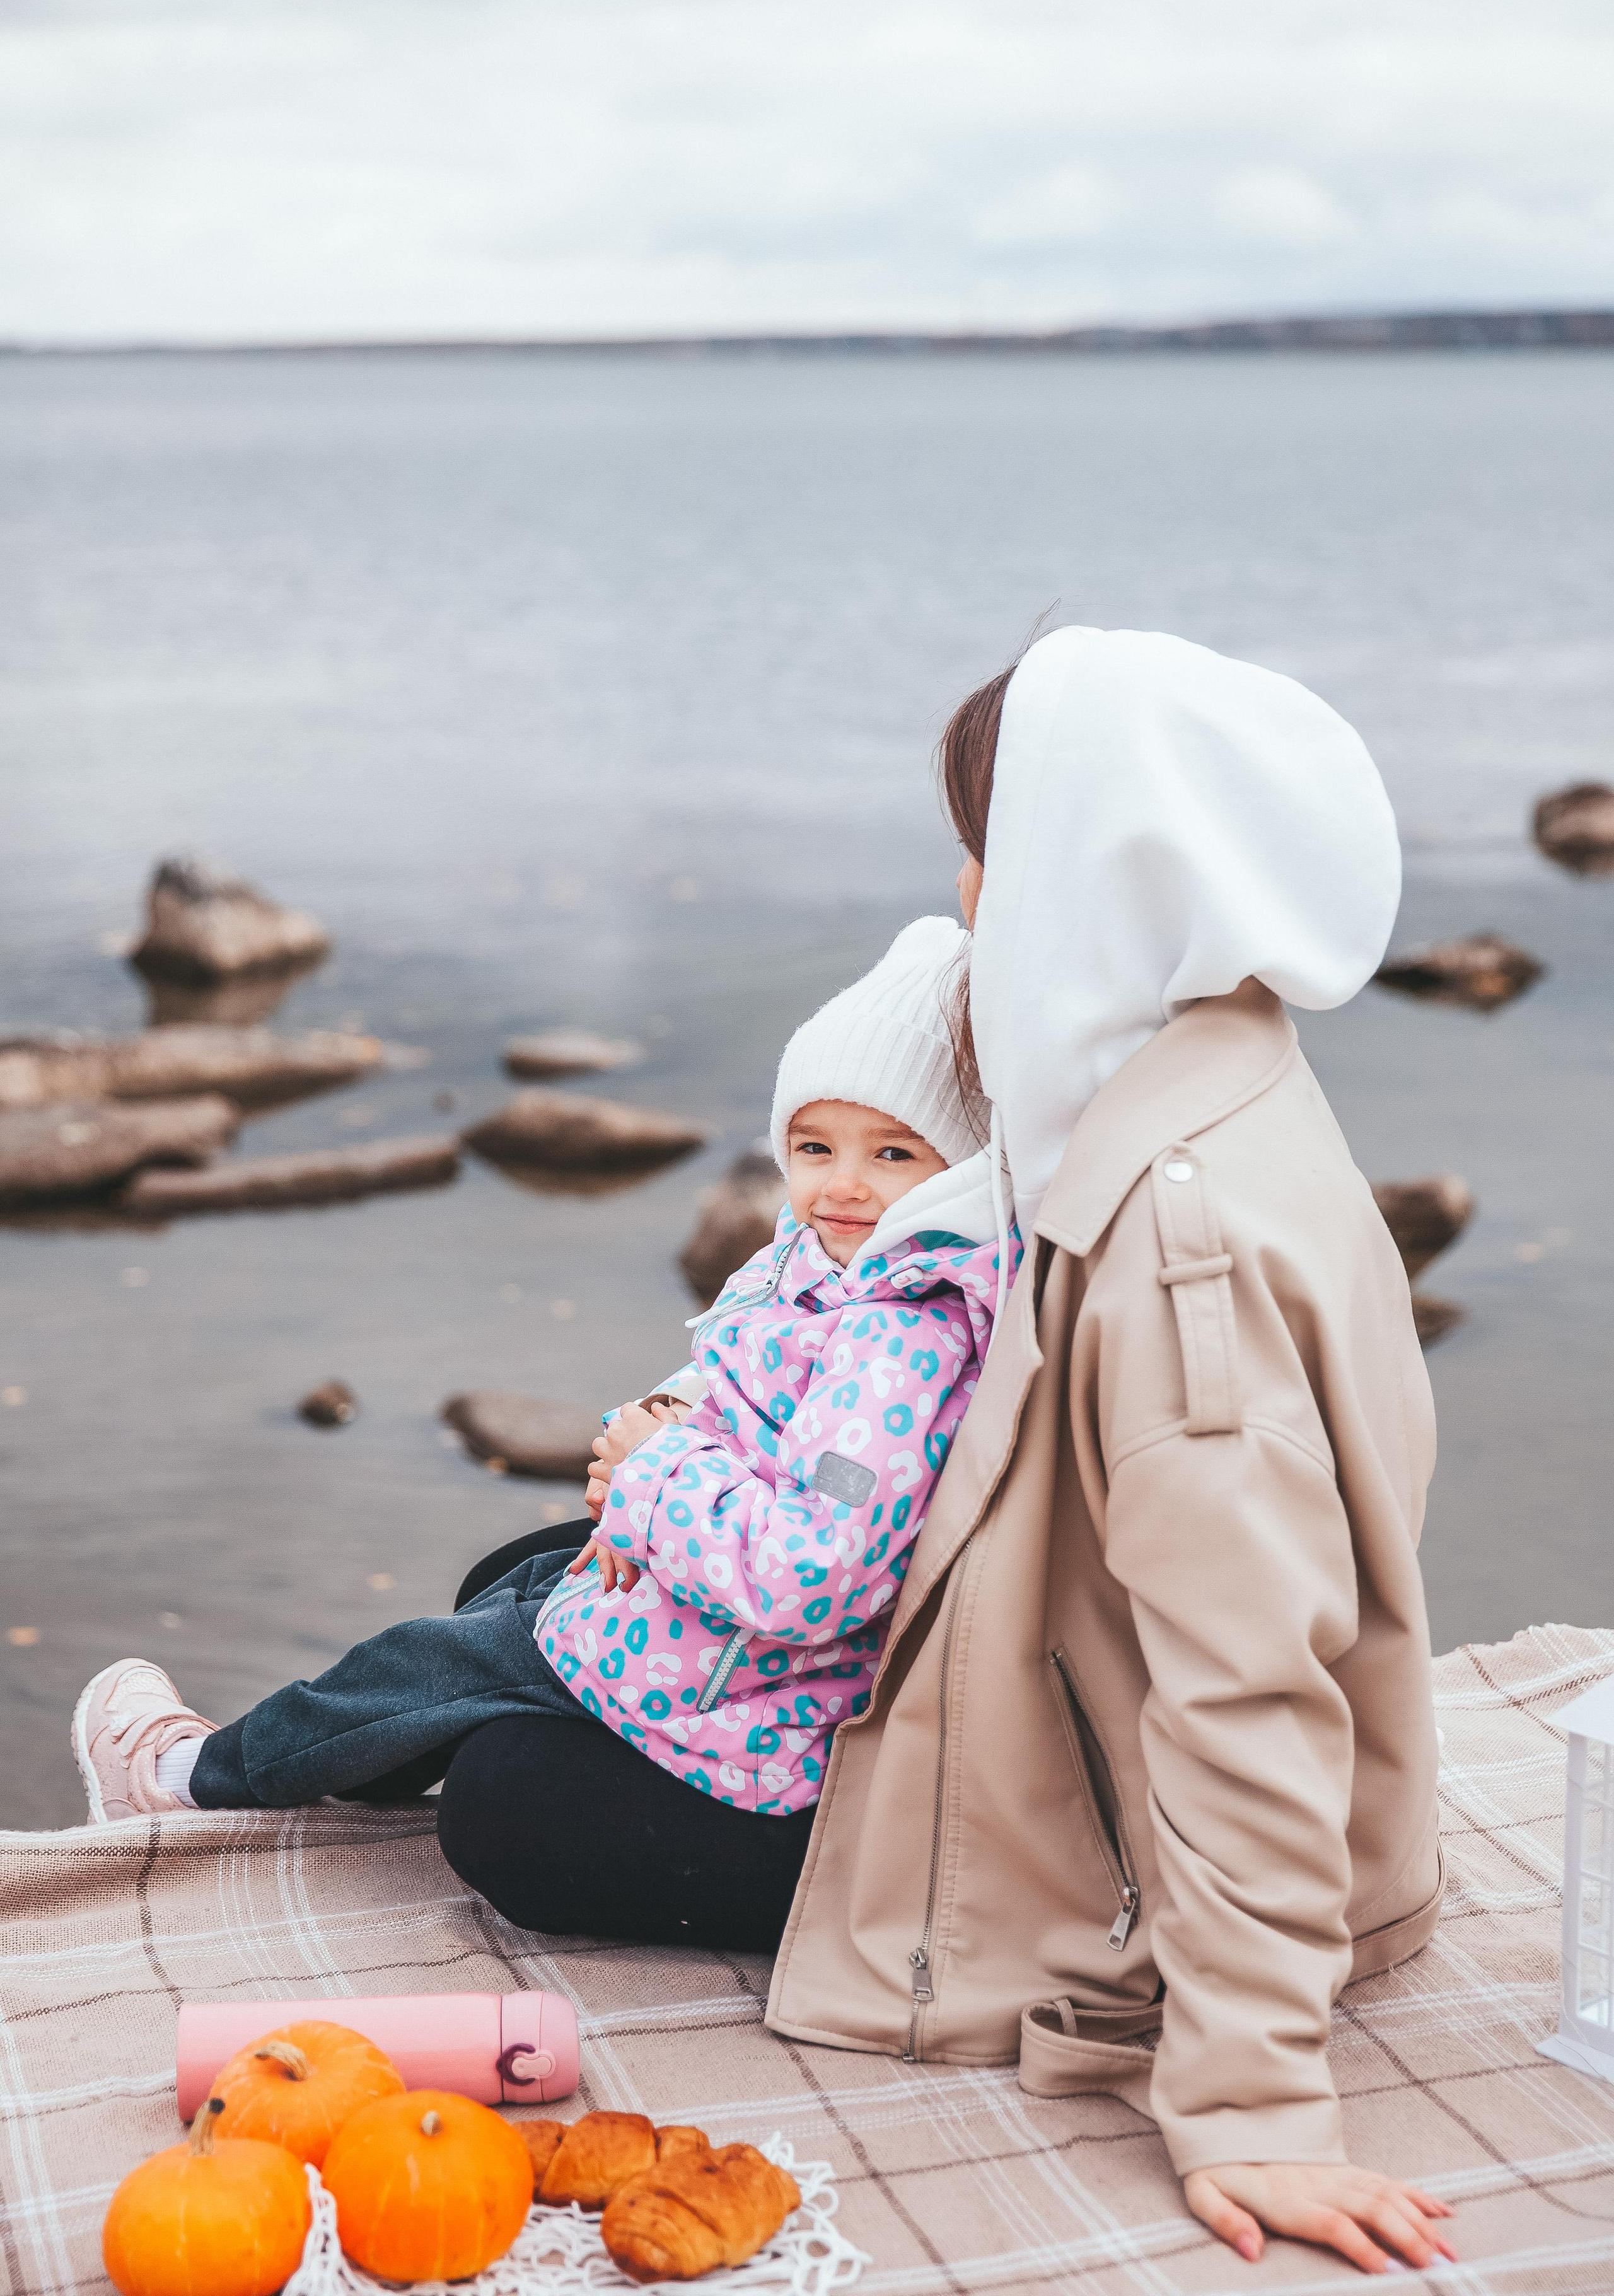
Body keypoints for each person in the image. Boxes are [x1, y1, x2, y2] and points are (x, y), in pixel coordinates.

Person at [765, 625, 1457, 2277]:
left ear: (1090, 869)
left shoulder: (1174, 1246)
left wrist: (1254, 2100)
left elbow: (1247, 1682)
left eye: (991, 845)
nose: (965, 893)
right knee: (531, 1590)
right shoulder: (1218, 1065)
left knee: (514, 1802)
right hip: (1069, 1711)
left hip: (1087, 1846)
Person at [70, 916, 1018, 1950]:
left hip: (735, 1679)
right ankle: (334, 1770)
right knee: (502, 1594)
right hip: (713, 1616)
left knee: (434, 1663)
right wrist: (655, 1428)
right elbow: (730, 1375)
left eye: (892, 1152)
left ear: (961, 1167)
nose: (842, 1184)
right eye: (814, 1147)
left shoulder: (901, 1339)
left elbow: (814, 1573)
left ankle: (185, 1779)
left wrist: (653, 1475)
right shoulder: (831, 1259)